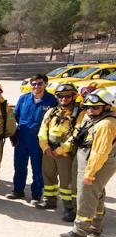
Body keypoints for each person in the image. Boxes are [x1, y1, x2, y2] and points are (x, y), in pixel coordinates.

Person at [60, 89, 116, 237]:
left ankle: (80, 231)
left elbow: (100, 152)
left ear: (106, 106)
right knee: (96, 193)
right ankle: (95, 226)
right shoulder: (91, 117)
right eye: (88, 107)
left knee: (86, 194)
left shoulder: (106, 124)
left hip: (96, 163)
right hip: (88, 158)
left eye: (96, 107)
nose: (91, 110)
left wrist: (90, 173)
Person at [36, 84, 85, 219]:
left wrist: (60, 150)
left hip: (65, 154)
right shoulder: (51, 111)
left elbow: (76, 134)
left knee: (67, 182)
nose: (64, 99)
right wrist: (45, 147)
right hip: (48, 151)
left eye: (68, 96)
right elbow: (42, 130)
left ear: (74, 96)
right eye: (60, 96)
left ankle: (69, 208)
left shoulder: (80, 114)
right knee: (48, 176)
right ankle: (49, 201)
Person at [7, 73, 58, 203]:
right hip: (22, 139)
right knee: (19, 166)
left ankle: (36, 195)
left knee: (38, 169)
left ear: (45, 84)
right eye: (34, 84)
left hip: (39, 141)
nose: (36, 86)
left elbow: (55, 121)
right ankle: (18, 191)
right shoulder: (23, 98)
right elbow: (15, 116)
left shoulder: (52, 100)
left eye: (40, 83)